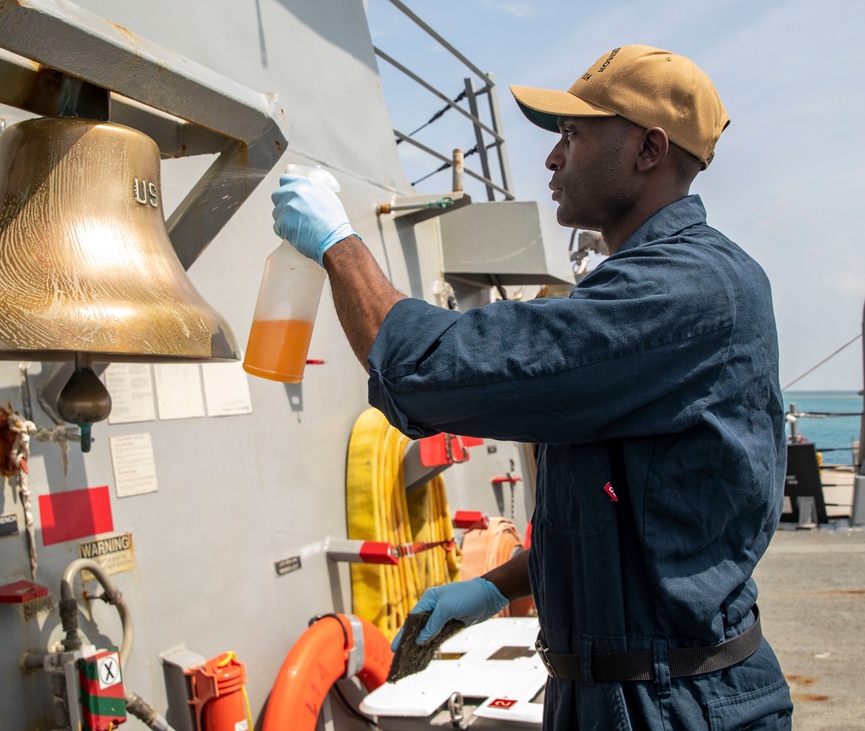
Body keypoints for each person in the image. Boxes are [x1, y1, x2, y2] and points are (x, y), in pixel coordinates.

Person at [271, 44, 792, 730]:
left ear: (647, 149)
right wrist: (497, 585)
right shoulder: (662, 283)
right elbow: (630, 516)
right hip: (626, 691)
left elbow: (436, 371)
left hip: (673, 703)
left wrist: (338, 244)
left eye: (572, 136)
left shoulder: (685, 290)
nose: (551, 158)